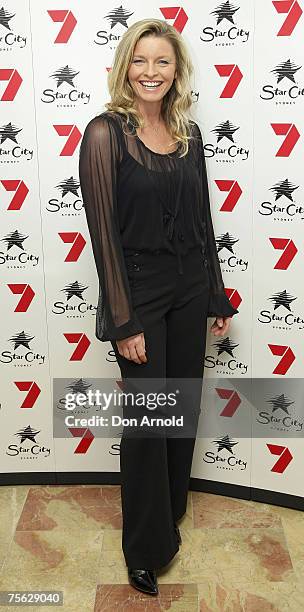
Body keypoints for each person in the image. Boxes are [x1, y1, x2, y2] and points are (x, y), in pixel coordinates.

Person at [79, 18, 239, 597]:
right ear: (126, 67)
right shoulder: (105, 134)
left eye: (163, 62)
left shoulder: (188, 134)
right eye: (141, 61)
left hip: (190, 288)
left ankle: (168, 519)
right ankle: (144, 548)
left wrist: (216, 293)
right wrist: (124, 321)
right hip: (140, 291)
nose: (152, 72)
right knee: (149, 421)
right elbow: (104, 238)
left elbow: (201, 222)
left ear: (177, 70)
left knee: (181, 410)